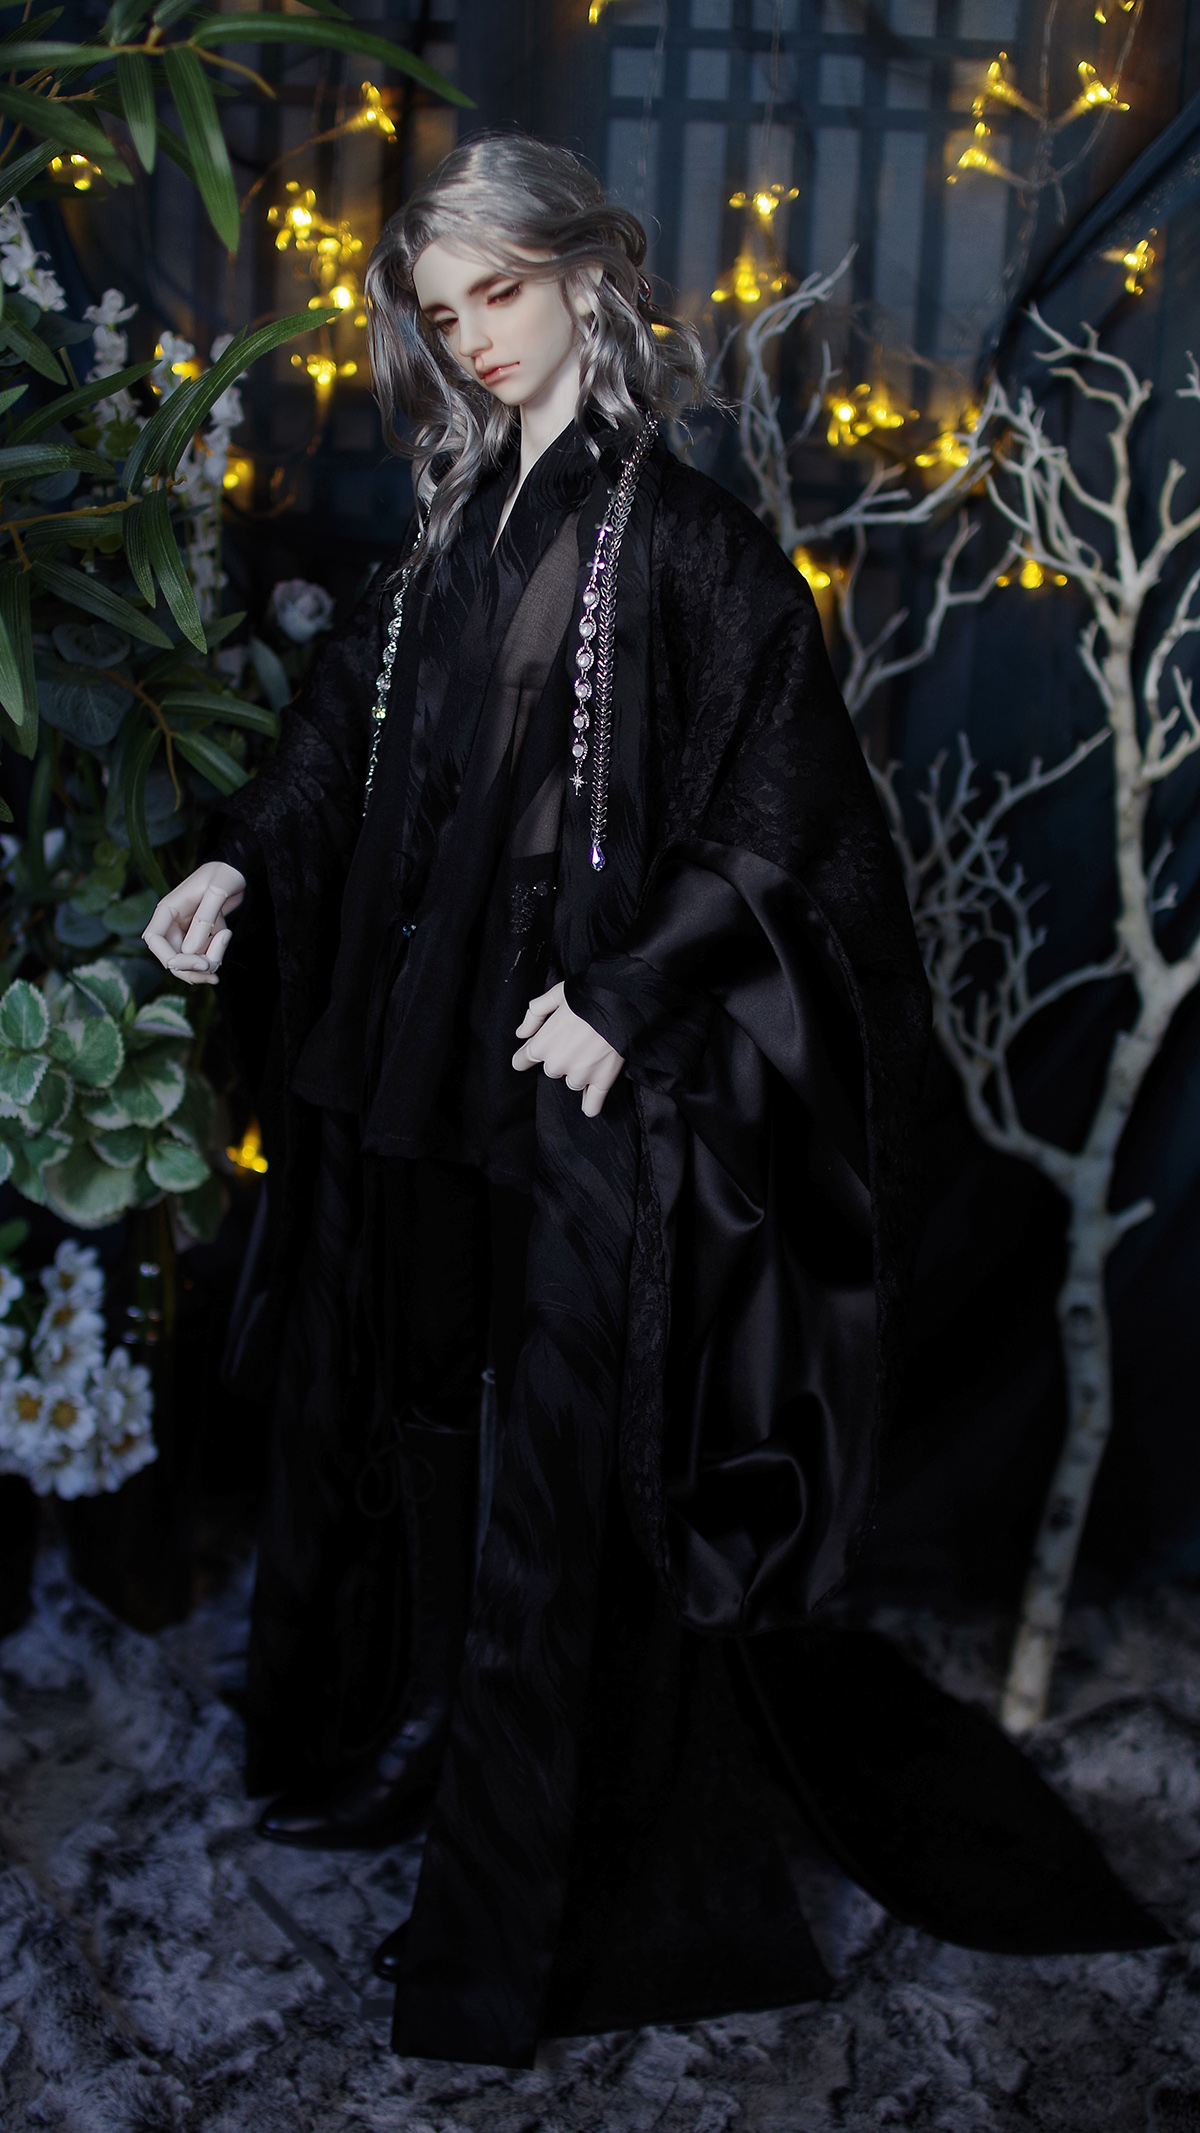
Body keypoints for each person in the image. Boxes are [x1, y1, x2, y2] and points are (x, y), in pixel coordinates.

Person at [143, 135, 1158, 2069]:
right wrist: (241, 864)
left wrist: (631, 991)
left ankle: (534, 1815)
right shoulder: (443, 538)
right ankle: (434, 1723)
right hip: (417, 1041)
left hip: (577, 1061)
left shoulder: (688, 543)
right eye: (445, 312)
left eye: (501, 292)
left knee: (563, 1437)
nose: (475, 336)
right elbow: (337, 745)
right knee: (416, 1378)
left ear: (585, 277)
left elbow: (783, 804)